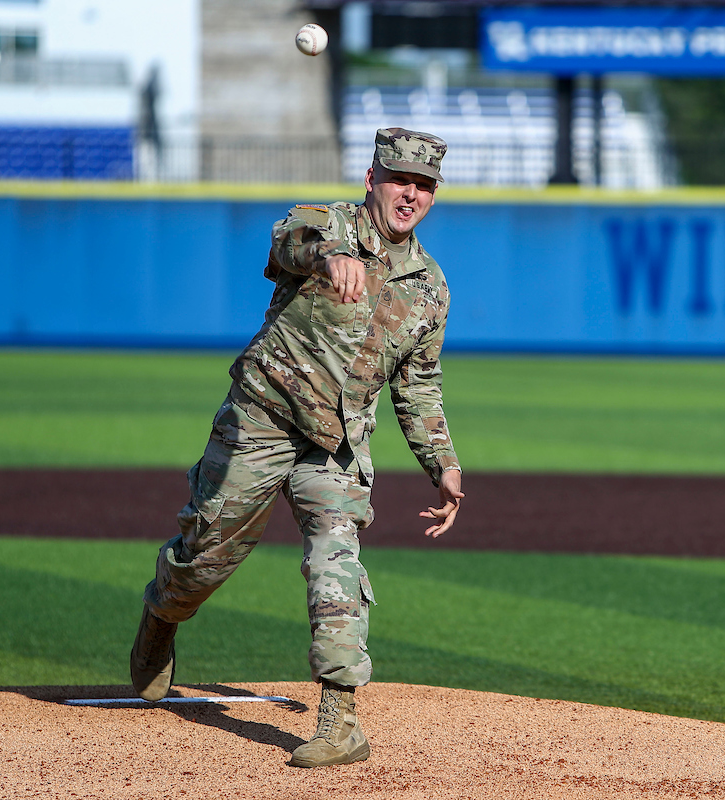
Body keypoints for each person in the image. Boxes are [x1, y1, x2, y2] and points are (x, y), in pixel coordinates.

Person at [129, 128, 464, 769]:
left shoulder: (430, 289)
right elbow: (287, 239)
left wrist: (441, 463)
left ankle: (341, 720)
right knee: (205, 555)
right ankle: (162, 616)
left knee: (335, 559)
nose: (410, 194)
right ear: (372, 179)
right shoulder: (324, 224)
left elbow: (418, 387)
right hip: (261, 420)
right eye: (400, 180)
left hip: (336, 444)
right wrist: (326, 257)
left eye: (423, 186)